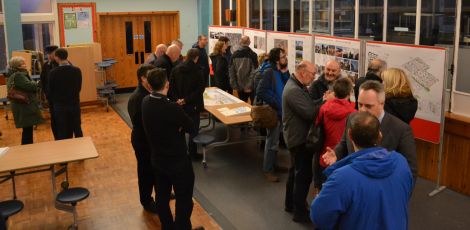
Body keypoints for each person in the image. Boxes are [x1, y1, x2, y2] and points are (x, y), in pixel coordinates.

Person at [310, 112, 413, 230]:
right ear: (380, 135)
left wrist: (319, 197)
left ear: (349, 135)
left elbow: (319, 217)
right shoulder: (401, 163)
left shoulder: (342, 178)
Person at [322, 80, 418, 182]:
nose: (362, 110)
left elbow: (410, 170)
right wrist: (336, 154)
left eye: (368, 106)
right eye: (360, 104)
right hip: (353, 184)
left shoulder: (401, 129)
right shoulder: (351, 118)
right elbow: (344, 143)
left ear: (382, 104)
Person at [142, 68, 196, 230]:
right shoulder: (171, 108)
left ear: (150, 85)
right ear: (167, 84)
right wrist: (178, 125)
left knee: (162, 197)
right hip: (178, 161)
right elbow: (191, 127)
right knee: (184, 198)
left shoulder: (145, 101)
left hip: (158, 160)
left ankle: (167, 226)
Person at [283, 61, 323, 222]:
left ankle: (290, 204)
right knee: (303, 177)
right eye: (313, 74)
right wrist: (325, 102)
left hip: (296, 138)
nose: (314, 77)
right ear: (302, 72)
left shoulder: (297, 86)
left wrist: (321, 99)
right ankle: (299, 213)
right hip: (299, 140)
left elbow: (309, 105)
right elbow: (311, 112)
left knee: (295, 173)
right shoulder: (294, 90)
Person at [314, 78, 356, 189]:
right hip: (345, 158)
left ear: (334, 91)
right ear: (349, 93)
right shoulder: (354, 113)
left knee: (325, 189)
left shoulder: (324, 107)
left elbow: (317, 125)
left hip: (326, 154)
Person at [127, 64, 158, 214]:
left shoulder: (149, 93)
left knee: (156, 170)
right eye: (150, 75)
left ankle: (160, 194)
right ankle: (146, 201)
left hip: (150, 140)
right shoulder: (138, 98)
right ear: (142, 78)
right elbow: (141, 124)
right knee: (146, 172)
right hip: (143, 142)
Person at [256, 48, 289, 182]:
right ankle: (268, 169)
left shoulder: (279, 71)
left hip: (281, 111)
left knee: (275, 141)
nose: (285, 58)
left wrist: (285, 72)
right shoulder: (269, 72)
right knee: (271, 141)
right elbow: (260, 91)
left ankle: (273, 165)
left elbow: (287, 85)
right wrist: (276, 102)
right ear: (276, 59)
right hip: (273, 111)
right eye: (282, 56)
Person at [169, 48, 205, 161]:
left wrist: (178, 100)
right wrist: (186, 100)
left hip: (178, 105)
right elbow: (199, 90)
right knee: (193, 130)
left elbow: (171, 87)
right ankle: (193, 154)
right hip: (193, 105)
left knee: (180, 129)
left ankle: (181, 153)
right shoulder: (198, 71)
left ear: (186, 56)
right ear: (196, 58)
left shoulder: (175, 69)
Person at [6, 56, 43, 145]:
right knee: (27, 130)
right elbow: (30, 86)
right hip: (24, 105)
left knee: (27, 129)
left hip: (21, 105)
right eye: (22, 63)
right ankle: (27, 149)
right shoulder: (19, 75)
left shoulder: (14, 74)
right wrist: (36, 83)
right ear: (17, 66)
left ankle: (27, 148)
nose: (25, 65)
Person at [48, 48, 83, 140]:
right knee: (77, 128)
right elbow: (79, 87)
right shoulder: (77, 70)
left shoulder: (53, 73)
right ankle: (83, 149)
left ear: (56, 58)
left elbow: (50, 90)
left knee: (62, 129)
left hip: (60, 105)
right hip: (74, 103)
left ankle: (65, 151)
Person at [229, 35, 258, 103]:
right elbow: (254, 72)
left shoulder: (234, 55)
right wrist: (248, 86)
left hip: (239, 86)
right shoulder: (253, 55)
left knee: (242, 106)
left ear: (240, 42)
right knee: (253, 107)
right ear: (249, 42)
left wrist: (235, 86)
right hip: (251, 87)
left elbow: (231, 72)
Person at [40, 45, 59, 139]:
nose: (49, 56)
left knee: (62, 118)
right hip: (51, 97)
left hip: (60, 96)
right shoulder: (45, 65)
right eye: (48, 54)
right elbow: (43, 80)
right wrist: (45, 94)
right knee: (54, 118)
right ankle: (56, 137)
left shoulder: (60, 63)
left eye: (51, 53)